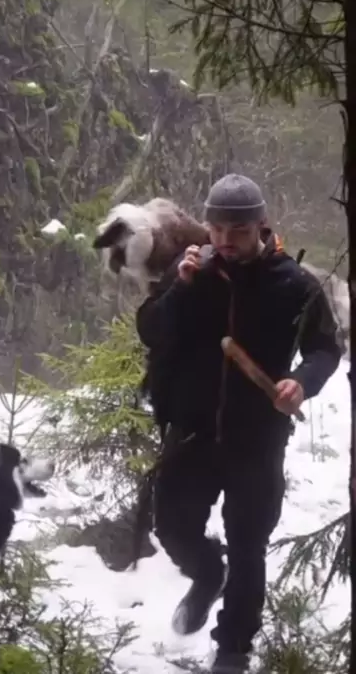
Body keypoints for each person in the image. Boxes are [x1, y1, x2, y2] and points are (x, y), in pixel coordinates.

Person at [135, 174, 341, 674]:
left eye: (239, 230)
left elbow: (323, 348)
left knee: (249, 545)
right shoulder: (191, 271)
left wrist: (301, 383)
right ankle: (208, 573)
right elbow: (151, 329)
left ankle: (232, 649)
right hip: (192, 432)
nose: (226, 240)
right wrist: (181, 288)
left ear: (261, 225)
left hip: (257, 439)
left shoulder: (293, 283)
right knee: (173, 527)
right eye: (218, 229)